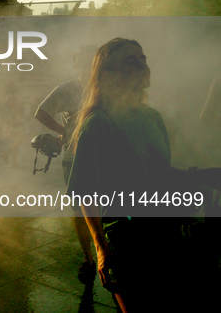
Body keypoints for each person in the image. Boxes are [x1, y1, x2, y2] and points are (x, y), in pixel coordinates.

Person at [67, 38, 221, 312]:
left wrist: (199, 174)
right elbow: (86, 191)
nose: (142, 65)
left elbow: (157, 170)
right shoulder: (99, 122)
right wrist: (101, 250)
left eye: (143, 58)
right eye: (131, 60)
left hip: (165, 232)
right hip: (127, 238)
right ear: (108, 73)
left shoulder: (152, 117)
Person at [34, 45, 97, 285]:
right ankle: (88, 257)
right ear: (75, 64)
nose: (85, 66)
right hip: (75, 157)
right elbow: (40, 113)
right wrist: (66, 131)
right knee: (81, 208)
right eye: (81, 61)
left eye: (90, 61)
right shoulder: (67, 89)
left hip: (107, 155)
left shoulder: (107, 87)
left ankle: (108, 250)